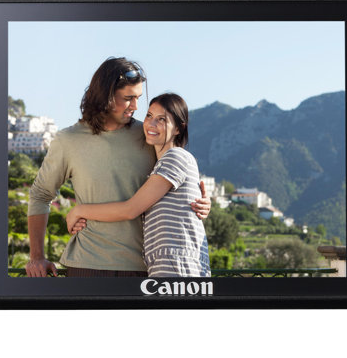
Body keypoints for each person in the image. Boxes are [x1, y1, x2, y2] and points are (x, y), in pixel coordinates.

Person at [25, 58, 211, 278]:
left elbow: (177, 180)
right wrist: (37, 257)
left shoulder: (149, 135)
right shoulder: (68, 140)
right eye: (128, 98)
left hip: (146, 269)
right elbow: (40, 195)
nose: (135, 106)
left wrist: (199, 204)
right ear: (105, 95)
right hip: (87, 265)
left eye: (138, 98)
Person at [66, 93, 210, 277]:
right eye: (149, 115)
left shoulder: (175, 157)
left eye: (162, 119)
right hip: (165, 265)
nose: (151, 124)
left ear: (178, 129)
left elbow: (130, 209)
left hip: (178, 267)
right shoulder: (160, 165)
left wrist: (78, 211)